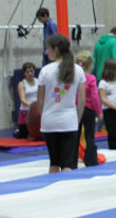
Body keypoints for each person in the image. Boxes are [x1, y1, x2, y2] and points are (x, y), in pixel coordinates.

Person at [35, 35, 85, 172]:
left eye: (47, 49)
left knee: (54, 162)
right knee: (67, 163)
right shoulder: (78, 70)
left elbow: (40, 100)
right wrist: (77, 119)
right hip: (69, 120)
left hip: (49, 120)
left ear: (55, 49)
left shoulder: (45, 71)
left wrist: (44, 114)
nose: (46, 52)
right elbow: (82, 101)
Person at [77, 51, 102, 167]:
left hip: (77, 109)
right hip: (89, 109)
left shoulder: (75, 78)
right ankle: (91, 160)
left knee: (75, 136)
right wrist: (99, 111)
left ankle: (72, 160)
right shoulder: (91, 78)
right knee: (89, 136)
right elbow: (94, 97)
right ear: (90, 65)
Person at [14, 62, 38, 139]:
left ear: (34, 71)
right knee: (23, 136)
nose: (30, 73)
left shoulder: (38, 81)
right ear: (24, 73)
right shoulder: (22, 84)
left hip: (36, 111)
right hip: (26, 111)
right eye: (27, 72)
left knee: (36, 134)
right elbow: (22, 99)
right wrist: (31, 106)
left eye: (31, 71)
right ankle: (17, 131)